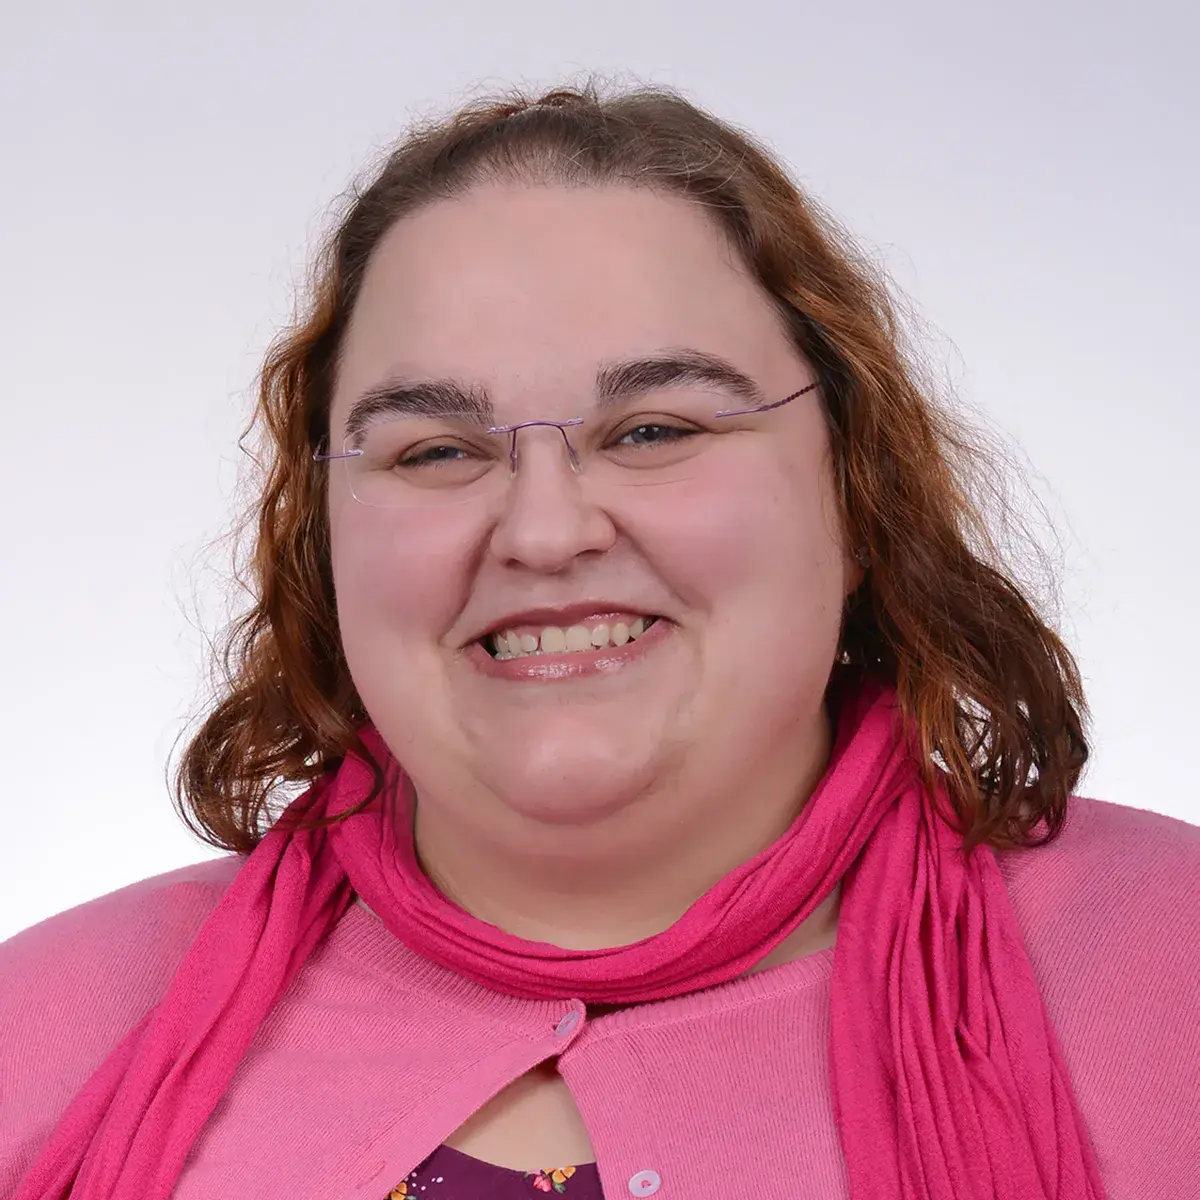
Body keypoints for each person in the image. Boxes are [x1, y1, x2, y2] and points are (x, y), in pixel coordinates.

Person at [2, 79, 1196, 1200]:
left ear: (857, 494)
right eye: (435, 450)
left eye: (654, 430)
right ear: (325, 537)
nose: (543, 530)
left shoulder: (1170, 966)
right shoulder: (43, 1030)